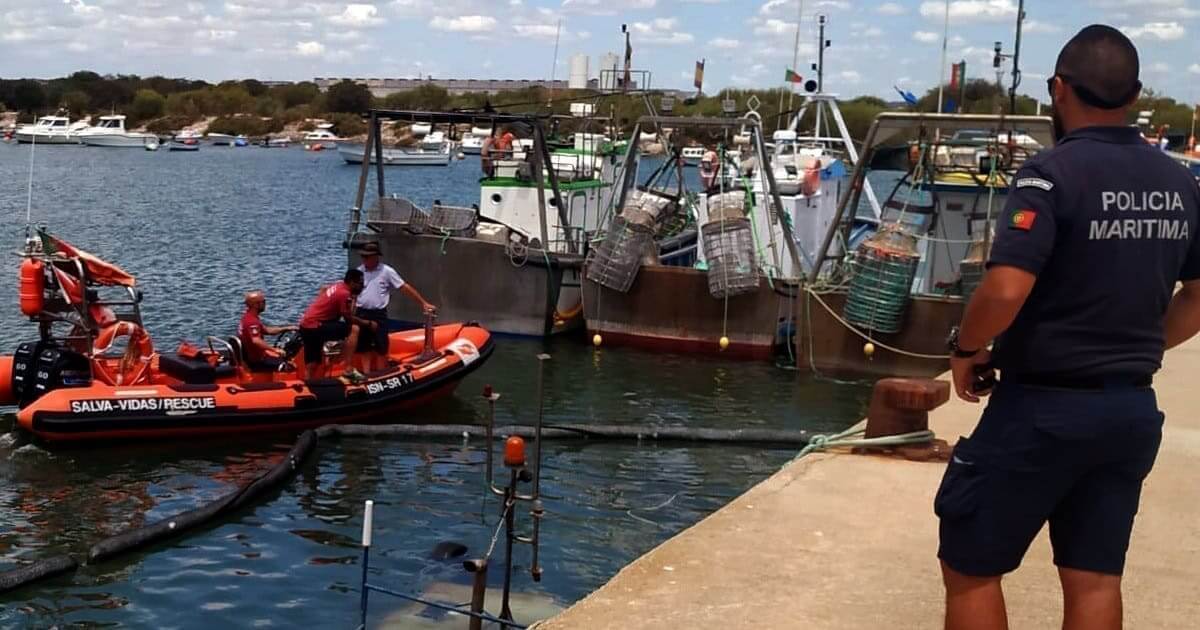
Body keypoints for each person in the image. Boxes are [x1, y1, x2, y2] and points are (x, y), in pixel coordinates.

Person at [938, 25, 1200, 630]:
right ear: (1134, 94)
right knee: (1094, 576)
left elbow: (1006, 288)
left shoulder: (1048, 175)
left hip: (1041, 409)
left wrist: (967, 348)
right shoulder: (1179, 182)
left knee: (971, 565)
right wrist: (1139, 344)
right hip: (1128, 411)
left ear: (1058, 89)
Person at [355, 242, 435, 372]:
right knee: (364, 347)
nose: (364, 259)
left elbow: (404, 287)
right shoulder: (358, 271)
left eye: (367, 257)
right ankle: (366, 373)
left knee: (381, 347)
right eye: (362, 256)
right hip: (361, 313)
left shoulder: (387, 271)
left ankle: (381, 373)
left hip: (378, 314)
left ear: (375, 256)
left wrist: (423, 303)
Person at [297, 269, 371, 381]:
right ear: (352, 282)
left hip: (306, 325)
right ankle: (348, 369)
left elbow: (323, 289)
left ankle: (309, 382)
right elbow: (349, 319)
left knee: (313, 361)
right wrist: (368, 323)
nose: (362, 286)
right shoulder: (344, 294)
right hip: (316, 326)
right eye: (360, 283)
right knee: (354, 329)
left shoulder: (338, 285)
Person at [237, 290, 297, 372]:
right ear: (256, 304)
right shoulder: (252, 322)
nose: (265, 304)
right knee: (291, 367)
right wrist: (274, 350)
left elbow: (267, 330)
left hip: (254, 356)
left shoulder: (247, 317)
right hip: (257, 361)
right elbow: (256, 340)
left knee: (281, 356)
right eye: (264, 301)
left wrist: (286, 328)